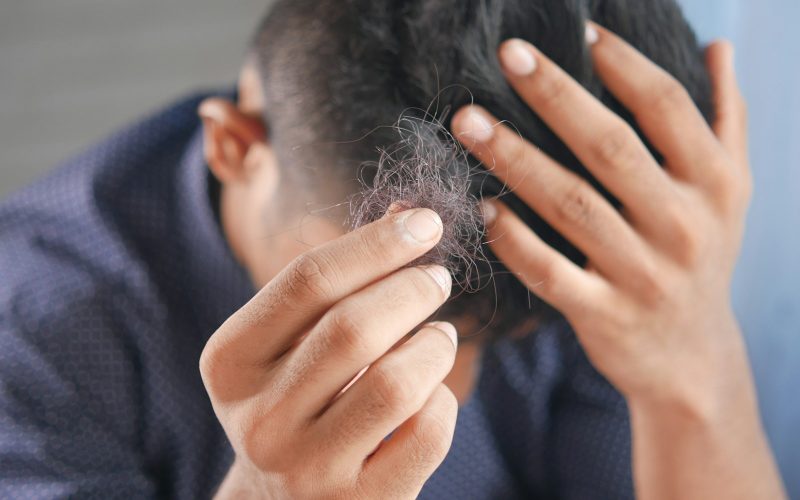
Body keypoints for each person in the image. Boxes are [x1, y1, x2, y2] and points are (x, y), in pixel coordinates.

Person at [0, 1, 786, 499]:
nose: (437, 399)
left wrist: (693, 367)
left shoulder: (584, 264)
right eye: (376, 293)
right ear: (236, 147)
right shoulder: (28, 336)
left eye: (499, 337)